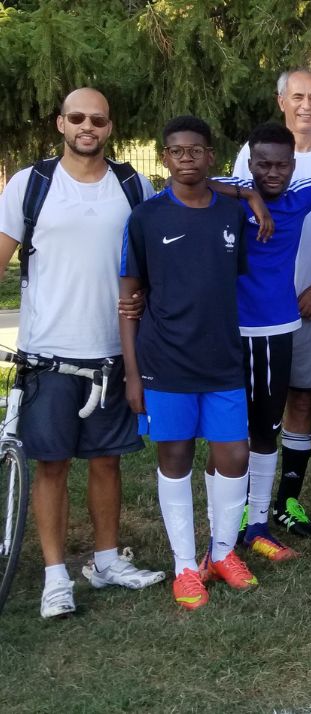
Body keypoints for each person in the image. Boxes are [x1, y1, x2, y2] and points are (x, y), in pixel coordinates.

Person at [0, 87, 164, 619]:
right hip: (49, 355)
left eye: (97, 119)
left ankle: (106, 560)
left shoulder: (130, 184)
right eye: (77, 118)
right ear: (61, 124)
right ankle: (54, 577)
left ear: (110, 128)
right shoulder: (33, 184)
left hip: (115, 354)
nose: (86, 126)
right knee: (50, 465)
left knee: (107, 463)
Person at [120, 116, 254, 610]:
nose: (186, 159)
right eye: (176, 152)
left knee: (233, 455)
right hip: (165, 362)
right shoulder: (146, 218)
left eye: (195, 150)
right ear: (165, 157)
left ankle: (222, 553)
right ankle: (183, 565)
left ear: (210, 155)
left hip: (221, 361)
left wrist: (249, 198)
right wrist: (134, 374)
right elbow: (129, 298)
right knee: (174, 458)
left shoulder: (230, 216)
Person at [215, 122, 311, 559]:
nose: (272, 172)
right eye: (263, 165)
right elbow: (191, 177)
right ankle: (226, 524)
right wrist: (250, 196)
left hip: (277, 329)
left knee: (266, 428)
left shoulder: (299, 196)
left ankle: (257, 521)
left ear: (293, 166)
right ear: (249, 163)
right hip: (229, 330)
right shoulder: (230, 193)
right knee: (227, 430)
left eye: (281, 165)